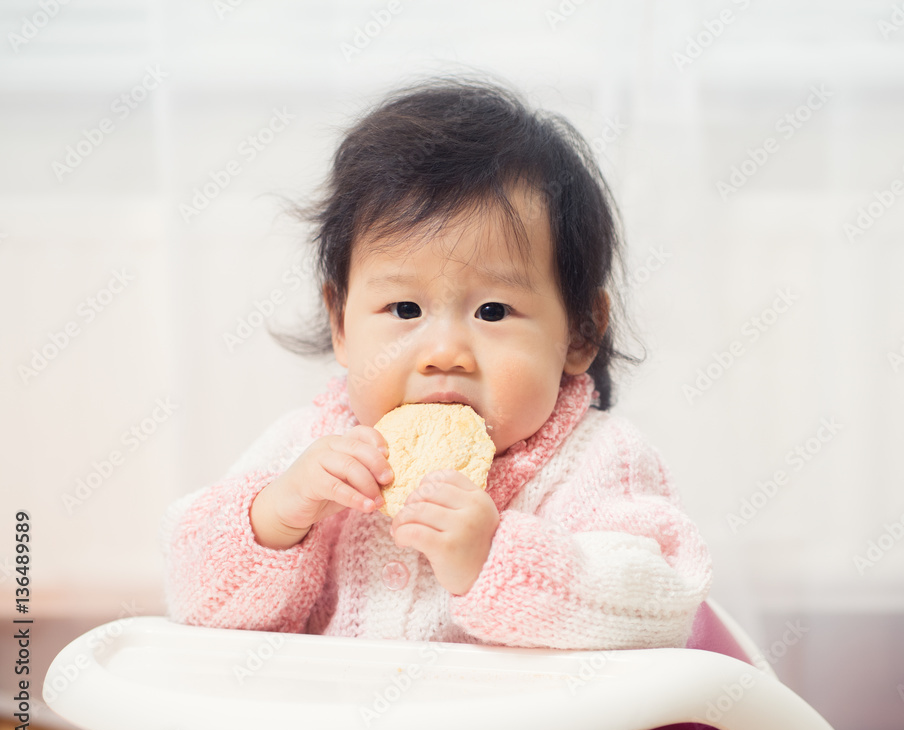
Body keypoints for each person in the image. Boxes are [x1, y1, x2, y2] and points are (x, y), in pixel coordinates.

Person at [162, 77, 711, 655]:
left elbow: (659, 607)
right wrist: (275, 518)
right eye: (405, 309)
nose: (444, 352)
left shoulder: (599, 459)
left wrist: (494, 557)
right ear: (341, 324)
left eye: (493, 311)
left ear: (580, 332)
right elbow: (194, 601)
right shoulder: (306, 448)